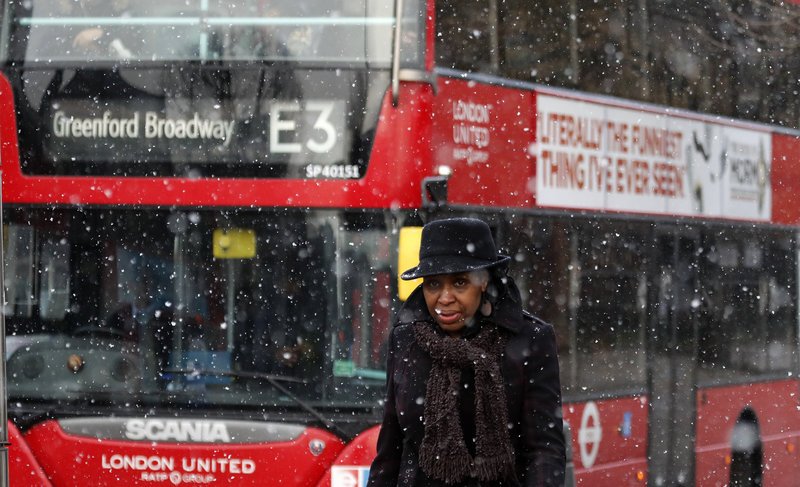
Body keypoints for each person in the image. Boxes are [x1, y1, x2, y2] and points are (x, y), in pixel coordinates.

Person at [368, 218, 566, 486]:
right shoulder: (406, 340)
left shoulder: (530, 340)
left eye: (460, 283)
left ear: (484, 281)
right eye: (433, 284)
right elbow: (390, 452)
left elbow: (544, 451)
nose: (445, 298)